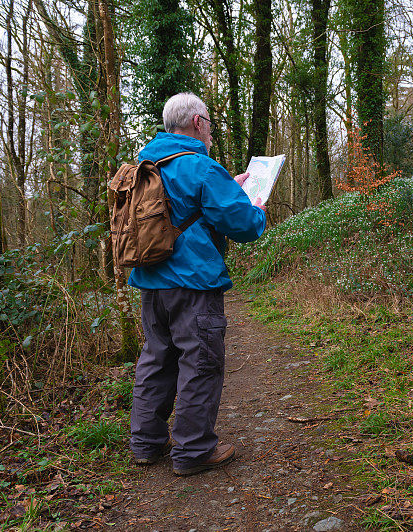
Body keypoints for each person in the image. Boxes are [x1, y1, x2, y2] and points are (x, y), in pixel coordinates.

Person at [128, 92, 266, 476]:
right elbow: (242, 225)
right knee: (201, 362)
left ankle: (146, 443)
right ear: (198, 123)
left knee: (157, 359)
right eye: (209, 123)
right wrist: (255, 211)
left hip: (150, 281)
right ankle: (192, 450)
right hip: (193, 283)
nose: (210, 132)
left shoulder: (143, 164)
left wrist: (229, 186)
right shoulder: (202, 168)